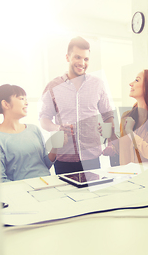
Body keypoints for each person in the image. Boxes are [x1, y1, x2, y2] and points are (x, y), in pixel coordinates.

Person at [39, 36, 114, 174]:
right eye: (77, 57)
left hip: (92, 158)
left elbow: (108, 115)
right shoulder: (52, 86)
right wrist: (58, 128)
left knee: (94, 196)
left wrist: (110, 140)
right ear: (67, 57)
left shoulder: (97, 84)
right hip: (64, 159)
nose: (82, 63)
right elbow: (44, 119)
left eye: (86, 59)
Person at [102, 69, 148, 165]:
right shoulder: (126, 116)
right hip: (129, 176)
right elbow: (122, 151)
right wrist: (111, 135)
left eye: (137, 80)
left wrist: (131, 133)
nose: (130, 84)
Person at [0, 84, 60, 182]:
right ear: (6, 104)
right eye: (21, 98)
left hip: (47, 183)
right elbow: (1, 179)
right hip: (22, 191)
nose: (26, 103)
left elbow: (45, 164)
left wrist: (56, 147)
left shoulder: (34, 129)